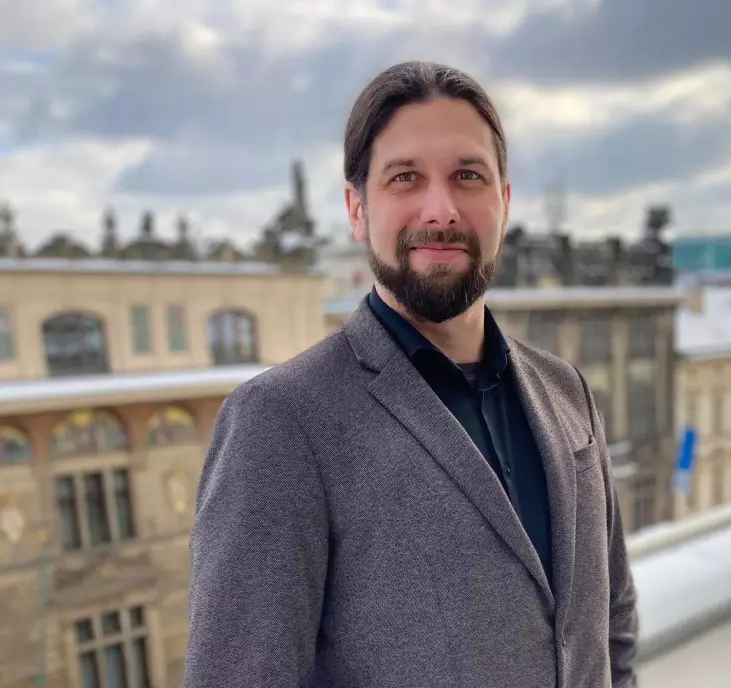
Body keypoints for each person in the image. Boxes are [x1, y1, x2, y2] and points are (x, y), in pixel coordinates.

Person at [185, 60, 639, 688]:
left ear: (504, 203)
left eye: (468, 176)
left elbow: (612, 624)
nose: (441, 210)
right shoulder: (281, 422)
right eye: (405, 178)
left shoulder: (566, 391)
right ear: (357, 209)